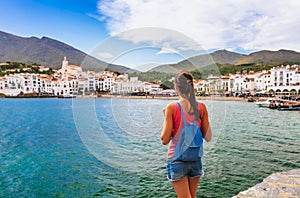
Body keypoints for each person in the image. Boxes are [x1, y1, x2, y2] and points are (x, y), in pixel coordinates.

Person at [160, 71, 212, 198]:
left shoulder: (172, 108)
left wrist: (166, 116)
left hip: (177, 160)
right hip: (195, 159)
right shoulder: (201, 107)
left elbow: (164, 140)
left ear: (176, 87)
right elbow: (208, 136)